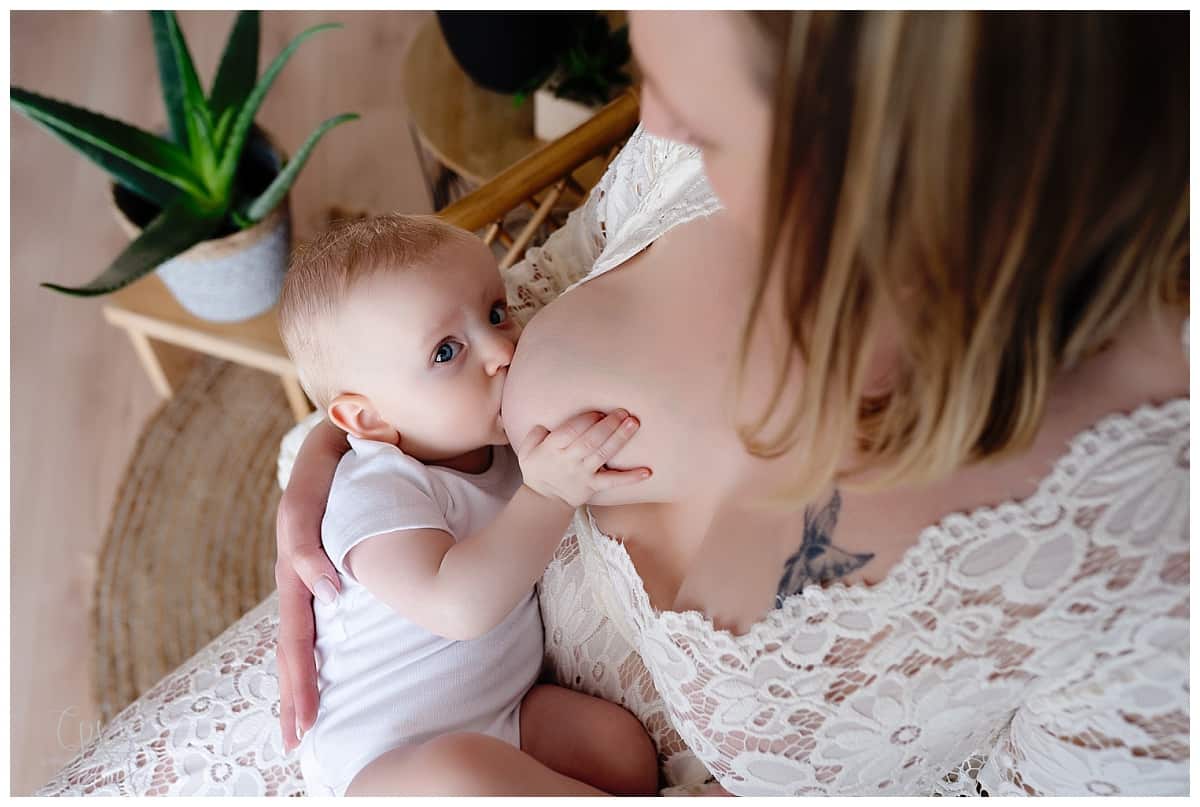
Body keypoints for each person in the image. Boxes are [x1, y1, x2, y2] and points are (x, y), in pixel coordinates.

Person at [276, 11, 1189, 796]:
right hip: (386, 725)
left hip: (517, 712)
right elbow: (541, 272)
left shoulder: (1143, 547)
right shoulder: (692, 126)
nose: (651, 119)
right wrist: (336, 454)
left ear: (877, 129)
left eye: (713, 127)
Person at [277, 214, 657, 796]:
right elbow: (456, 607)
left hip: (505, 715)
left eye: (496, 313)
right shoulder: (372, 492)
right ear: (370, 420)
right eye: (446, 351)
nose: (502, 351)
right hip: (387, 768)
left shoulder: (490, 440)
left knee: (619, 751)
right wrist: (550, 492)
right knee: (462, 775)